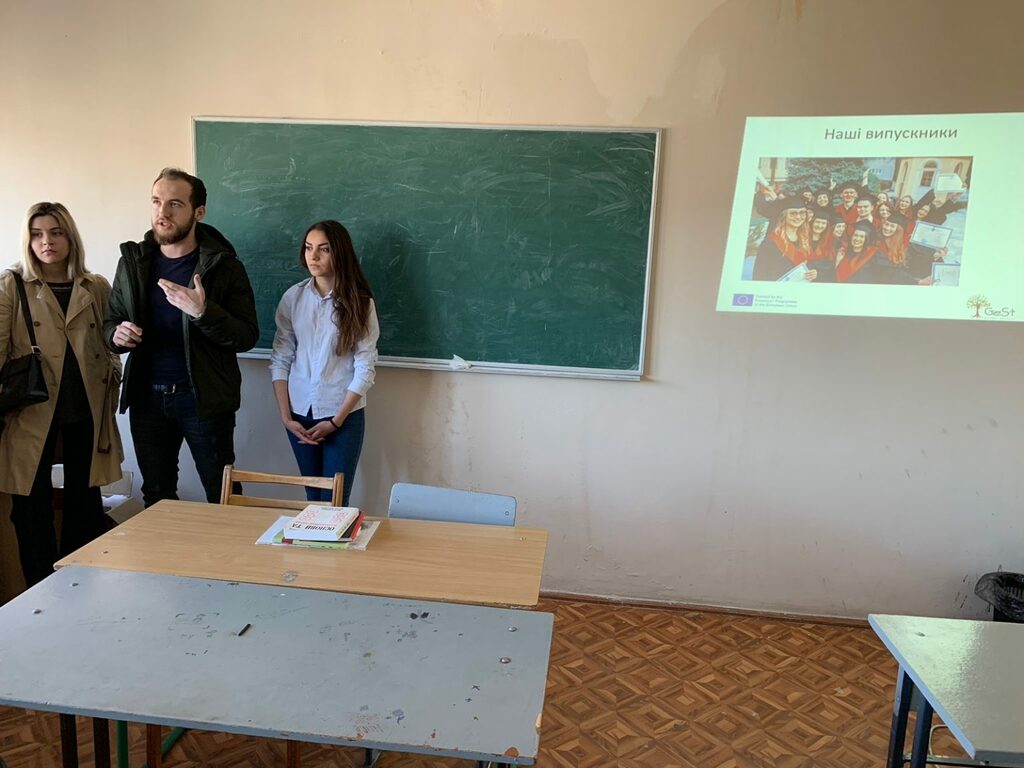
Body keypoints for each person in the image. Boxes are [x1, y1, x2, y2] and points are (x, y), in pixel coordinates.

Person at [105, 168, 259, 507]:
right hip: (147, 399)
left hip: (203, 399)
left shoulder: (224, 267)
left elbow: (246, 336)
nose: (163, 212)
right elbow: (110, 323)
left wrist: (203, 312)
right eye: (156, 201)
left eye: (175, 204)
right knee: (156, 495)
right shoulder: (132, 262)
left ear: (198, 212)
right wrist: (117, 334)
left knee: (223, 497)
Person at [0, 203, 123, 587]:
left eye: (55, 232)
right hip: (31, 414)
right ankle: (39, 590)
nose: (46, 242)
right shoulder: (11, 284)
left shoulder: (95, 286)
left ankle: (77, 589)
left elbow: (110, 343)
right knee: (30, 509)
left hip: (85, 411)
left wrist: (114, 375)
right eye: (37, 234)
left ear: (70, 237)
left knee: (85, 506)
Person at [270, 221, 379, 505]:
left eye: (324, 249)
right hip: (299, 414)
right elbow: (280, 358)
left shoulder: (360, 303)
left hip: (342, 415)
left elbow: (365, 368)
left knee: (334, 502)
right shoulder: (293, 297)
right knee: (313, 498)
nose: (313, 256)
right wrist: (286, 417)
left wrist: (335, 421)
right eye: (308, 248)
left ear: (339, 253)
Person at [753, 198, 817, 281]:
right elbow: (759, 275)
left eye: (802, 213)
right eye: (793, 213)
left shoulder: (805, 240)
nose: (798, 217)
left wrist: (812, 273)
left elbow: (809, 265)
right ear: (784, 216)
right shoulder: (770, 243)